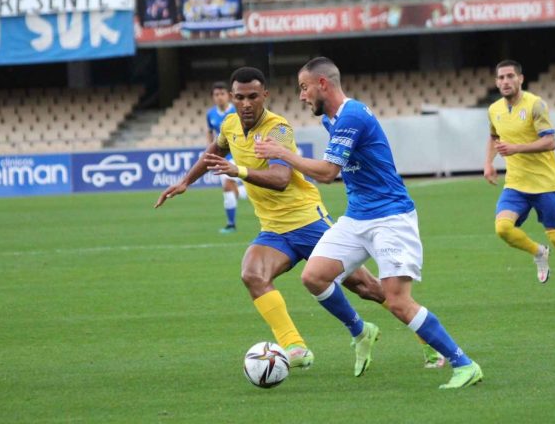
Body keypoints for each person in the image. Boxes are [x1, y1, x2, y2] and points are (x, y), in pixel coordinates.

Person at [156, 67, 443, 370]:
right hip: (273, 228)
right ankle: (296, 347)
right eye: (239, 97)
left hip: (307, 221)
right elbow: (214, 151)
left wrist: (238, 171)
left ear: (265, 95)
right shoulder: (229, 124)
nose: (246, 104)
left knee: (367, 287)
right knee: (253, 274)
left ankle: (429, 343)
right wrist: (186, 181)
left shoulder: (279, 129)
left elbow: (281, 179)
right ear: (231, 97)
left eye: (253, 96)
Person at [255, 57, 482, 389]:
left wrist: (282, 153)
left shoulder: (351, 116)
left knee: (398, 300)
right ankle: (361, 331)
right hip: (357, 216)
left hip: (391, 217)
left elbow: (328, 173)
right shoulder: (331, 120)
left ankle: (465, 364)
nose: (301, 96)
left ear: (322, 84)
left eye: (304, 88)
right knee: (314, 276)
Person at [483, 59, 555, 303]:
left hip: (545, 184)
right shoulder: (494, 109)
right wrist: (488, 163)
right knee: (502, 228)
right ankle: (538, 252)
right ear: (496, 82)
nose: (506, 81)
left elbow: (550, 142)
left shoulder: (535, 105)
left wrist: (516, 148)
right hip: (516, 184)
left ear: (520, 79)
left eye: (510, 76)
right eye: (501, 78)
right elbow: (494, 136)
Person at [206, 81, 245, 233]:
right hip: (224, 155)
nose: (219, 97)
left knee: (229, 185)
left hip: (239, 153)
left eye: (222, 94)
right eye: (216, 94)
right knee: (228, 187)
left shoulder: (237, 110)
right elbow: (210, 131)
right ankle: (231, 223)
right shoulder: (211, 114)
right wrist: (210, 150)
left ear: (228, 95)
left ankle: (231, 224)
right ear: (213, 97)